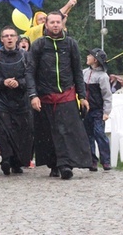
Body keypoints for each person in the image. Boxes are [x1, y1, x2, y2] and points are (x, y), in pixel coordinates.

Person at [26, 11, 91, 180]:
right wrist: (33, 95)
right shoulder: (39, 45)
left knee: (67, 132)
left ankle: (65, 165)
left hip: (66, 96)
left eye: (58, 22)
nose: (55, 25)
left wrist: (82, 96)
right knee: (48, 134)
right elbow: (30, 72)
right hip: (45, 96)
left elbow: (77, 71)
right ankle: (54, 164)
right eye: (52, 22)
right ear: (46, 25)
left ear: (62, 24)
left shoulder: (70, 44)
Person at [0, 26, 33, 175]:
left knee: (22, 132)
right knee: (4, 132)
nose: (9, 38)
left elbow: (30, 76)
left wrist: (19, 83)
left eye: (12, 35)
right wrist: (3, 82)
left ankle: (18, 162)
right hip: (2, 100)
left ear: (17, 38)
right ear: (2, 39)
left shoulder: (26, 56)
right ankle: (6, 159)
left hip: (21, 100)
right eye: (6, 36)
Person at [83, 48, 112, 171]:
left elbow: (107, 95)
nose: (87, 57)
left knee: (99, 134)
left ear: (95, 60)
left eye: (89, 55)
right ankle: (92, 160)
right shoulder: (84, 72)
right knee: (88, 135)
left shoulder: (103, 76)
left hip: (98, 110)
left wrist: (106, 112)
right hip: (85, 110)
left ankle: (106, 161)